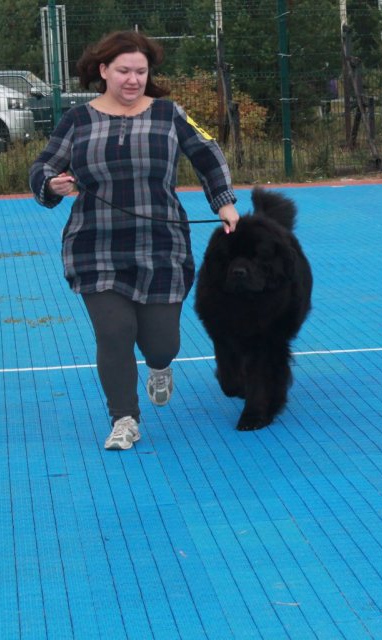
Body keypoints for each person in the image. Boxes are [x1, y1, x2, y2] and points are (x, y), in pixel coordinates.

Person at [29, 30, 239, 451]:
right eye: (124, 70)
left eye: (140, 71)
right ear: (103, 70)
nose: (132, 79)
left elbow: (208, 153)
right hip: (95, 245)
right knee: (114, 332)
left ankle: (159, 367)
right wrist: (52, 185)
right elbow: (43, 167)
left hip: (162, 244)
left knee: (162, 343)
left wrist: (225, 203)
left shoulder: (169, 113)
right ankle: (124, 418)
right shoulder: (78, 120)